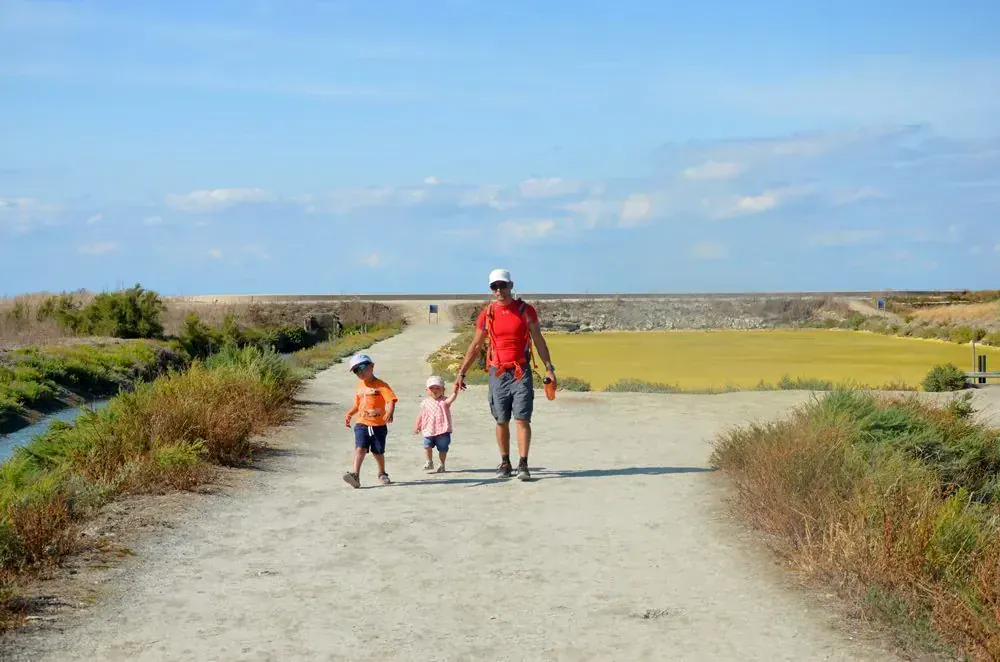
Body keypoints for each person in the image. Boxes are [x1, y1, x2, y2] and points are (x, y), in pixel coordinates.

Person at [454, 268, 556, 481]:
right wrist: (461, 373)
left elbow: (538, 340)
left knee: (522, 419)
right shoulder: (487, 313)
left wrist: (549, 368)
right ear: (491, 289)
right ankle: (505, 461)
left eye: (502, 285)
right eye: (495, 286)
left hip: (521, 371)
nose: (499, 290)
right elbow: (475, 345)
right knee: (501, 420)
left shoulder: (526, 311)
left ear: (511, 285)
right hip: (497, 372)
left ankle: (523, 464)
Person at [343, 353, 397, 488]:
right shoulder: (360, 386)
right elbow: (357, 405)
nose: (360, 372)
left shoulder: (381, 385)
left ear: (371, 366)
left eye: (362, 367)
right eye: (356, 370)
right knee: (360, 448)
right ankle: (355, 475)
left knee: (377, 451)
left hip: (378, 425)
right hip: (361, 423)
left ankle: (382, 472)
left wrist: (390, 411)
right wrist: (350, 414)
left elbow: (390, 400)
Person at [413, 375, 459, 473]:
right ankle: (429, 462)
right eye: (431, 388)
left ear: (443, 389)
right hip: (428, 429)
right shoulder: (425, 402)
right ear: (427, 390)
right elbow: (421, 414)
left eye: (438, 388)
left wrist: (455, 391)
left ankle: (442, 464)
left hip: (442, 430)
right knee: (427, 445)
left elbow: (452, 398)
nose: (434, 390)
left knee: (443, 449)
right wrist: (417, 425)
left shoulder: (444, 401)